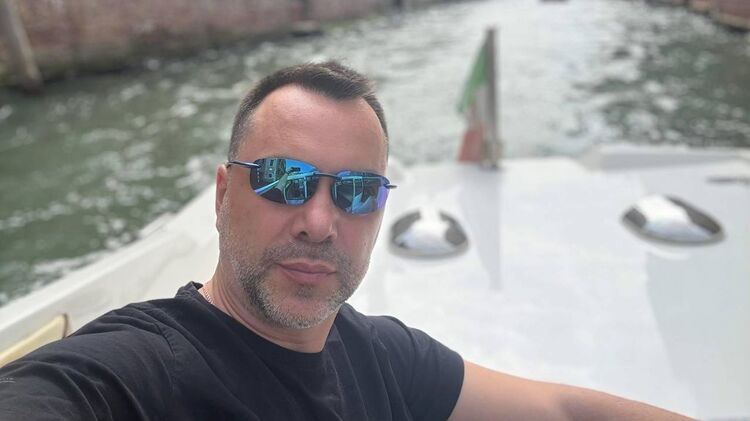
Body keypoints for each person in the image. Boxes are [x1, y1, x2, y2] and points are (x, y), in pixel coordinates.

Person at [0, 61, 694, 420]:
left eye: (357, 191)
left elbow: (560, 411)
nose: (320, 220)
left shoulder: (380, 354)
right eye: (285, 180)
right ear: (222, 195)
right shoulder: (141, 369)